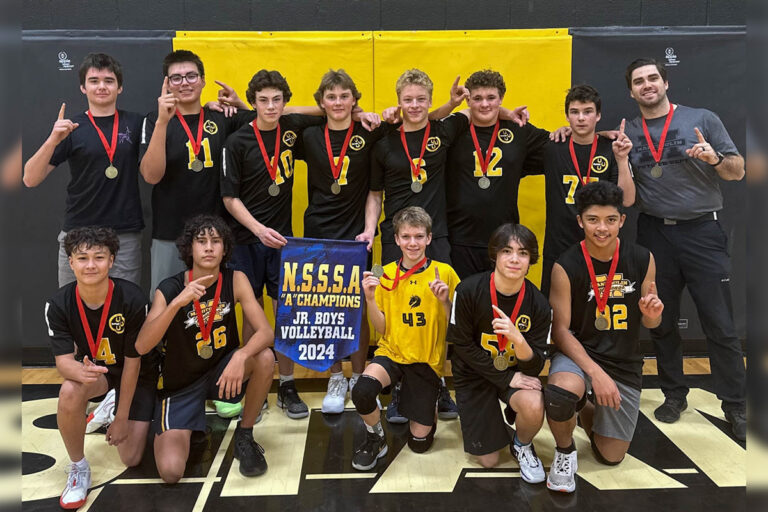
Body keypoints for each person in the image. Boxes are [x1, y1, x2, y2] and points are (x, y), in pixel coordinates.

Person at [621, 58, 746, 439]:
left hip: (702, 231)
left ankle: (736, 406)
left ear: (666, 82)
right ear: (631, 91)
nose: (647, 85)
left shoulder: (702, 118)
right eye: (639, 81)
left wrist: (715, 158)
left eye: (653, 78)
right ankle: (675, 393)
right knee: (662, 318)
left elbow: (738, 170)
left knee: (720, 324)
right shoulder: (630, 132)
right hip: (655, 233)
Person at [135, 215, 275, 482]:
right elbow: (142, 345)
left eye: (216, 241)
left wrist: (242, 355)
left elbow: (266, 332)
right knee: (171, 472)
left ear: (225, 248)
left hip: (222, 372)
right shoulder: (170, 288)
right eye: (202, 241)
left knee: (264, 357)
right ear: (190, 248)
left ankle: (244, 436)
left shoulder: (235, 279)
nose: (209, 247)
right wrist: (177, 303)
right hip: (180, 384)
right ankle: (189, 425)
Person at [545, 181, 663, 493]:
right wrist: (595, 374)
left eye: (611, 220)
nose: (602, 228)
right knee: (560, 393)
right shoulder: (565, 265)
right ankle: (564, 450)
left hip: (623, 361)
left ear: (622, 221)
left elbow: (653, 322)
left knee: (611, 456)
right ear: (580, 221)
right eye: (594, 220)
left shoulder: (642, 258)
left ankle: (584, 405)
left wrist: (652, 313)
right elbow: (560, 331)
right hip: (579, 357)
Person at [221, 69, 325, 420]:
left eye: (277, 99)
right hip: (246, 239)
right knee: (252, 313)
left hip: (282, 241)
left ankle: (288, 384)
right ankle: (252, 382)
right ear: (252, 103)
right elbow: (229, 199)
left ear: (285, 101)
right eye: (262, 100)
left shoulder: (292, 128)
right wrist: (258, 228)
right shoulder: (237, 141)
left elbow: (325, 110)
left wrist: (359, 113)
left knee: (286, 312)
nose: (270, 106)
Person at [44, 227, 158, 509]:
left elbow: (133, 364)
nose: (91, 265)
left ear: (112, 260)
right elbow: (63, 362)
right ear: (70, 262)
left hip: (138, 373)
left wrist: (121, 418)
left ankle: (114, 406)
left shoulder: (132, 298)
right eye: (82, 258)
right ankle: (78, 468)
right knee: (70, 391)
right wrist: (78, 373)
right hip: (99, 374)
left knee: (130, 458)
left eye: (99, 257)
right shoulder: (58, 304)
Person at [295, 69, 386, 414]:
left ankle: (360, 375)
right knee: (325, 308)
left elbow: (375, 191)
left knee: (361, 305)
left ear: (354, 99)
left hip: (358, 234)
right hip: (318, 231)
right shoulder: (308, 134)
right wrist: (322, 110)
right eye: (330, 97)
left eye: (344, 96)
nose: (337, 103)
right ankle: (336, 375)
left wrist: (369, 230)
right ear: (321, 101)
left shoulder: (369, 132)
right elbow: (285, 113)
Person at [350, 206, 460, 470]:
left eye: (419, 236)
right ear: (396, 239)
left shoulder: (444, 273)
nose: (413, 243)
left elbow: (457, 328)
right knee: (362, 391)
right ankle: (375, 437)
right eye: (407, 237)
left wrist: (445, 302)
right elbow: (383, 328)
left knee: (419, 444)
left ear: (429, 238)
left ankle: (426, 399)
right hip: (392, 352)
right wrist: (369, 299)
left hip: (425, 360)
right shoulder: (384, 274)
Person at [140, 49, 256, 296]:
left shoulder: (222, 116)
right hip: (170, 233)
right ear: (167, 84)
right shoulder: (153, 120)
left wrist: (240, 105)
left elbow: (268, 121)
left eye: (191, 76)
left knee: (213, 309)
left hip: (214, 237)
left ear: (203, 80)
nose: (185, 83)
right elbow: (151, 176)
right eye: (177, 78)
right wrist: (162, 122)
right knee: (165, 305)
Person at [24, 53, 144, 287]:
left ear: (119, 88)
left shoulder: (137, 123)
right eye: (94, 80)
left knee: (126, 307)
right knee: (73, 307)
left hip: (124, 234)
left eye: (109, 81)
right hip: (78, 232)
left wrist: (211, 106)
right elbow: (29, 178)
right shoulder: (71, 128)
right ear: (82, 87)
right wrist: (52, 140)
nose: (101, 86)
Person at [447, 223, 551, 483]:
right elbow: (460, 346)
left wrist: (518, 340)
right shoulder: (468, 290)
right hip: (475, 374)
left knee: (533, 404)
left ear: (531, 261)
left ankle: (522, 444)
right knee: (489, 461)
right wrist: (504, 378)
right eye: (507, 251)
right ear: (495, 254)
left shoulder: (539, 303)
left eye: (523, 253)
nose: (515, 259)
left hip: (514, 373)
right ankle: (490, 419)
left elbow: (535, 365)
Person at [444, 69, 548, 279]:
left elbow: (561, 146)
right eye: (478, 98)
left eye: (491, 98)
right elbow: (422, 126)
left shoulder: (518, 130)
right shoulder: (455, 129)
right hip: (459, 238)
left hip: (505, 239)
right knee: (464, 302)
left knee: (502, 303)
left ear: (501, 99)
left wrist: (598, 135)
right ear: (468, 101)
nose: (484, 104)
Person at [541, 84, 635, 296]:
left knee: (595, 311)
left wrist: (621, 160)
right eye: (575, 112)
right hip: (559, 245)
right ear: (567, 117)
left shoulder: (611, 148)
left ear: (598, 115)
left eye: (587, 112)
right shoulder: (552, 147)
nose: (581, 118)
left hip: (600, 243)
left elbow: (627, 200)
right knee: (555, 314)